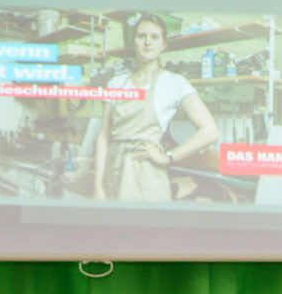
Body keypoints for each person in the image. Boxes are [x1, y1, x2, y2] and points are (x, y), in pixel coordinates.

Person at [93, 13, 219, 200]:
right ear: (133, 41)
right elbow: (103, 137)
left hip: (148, 174)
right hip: (114, 170)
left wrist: (169, 156)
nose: (147, 42)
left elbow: (210, 132)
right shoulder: (115, 83)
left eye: (154, 37)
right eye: (141, 36)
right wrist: (98, 186)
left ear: (164, 44)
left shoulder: (174, 83)